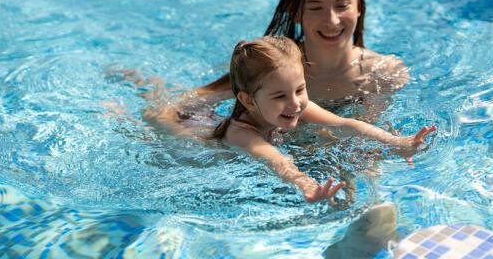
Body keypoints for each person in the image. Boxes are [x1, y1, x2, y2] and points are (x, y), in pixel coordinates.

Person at [145, 36, 435, 203]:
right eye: (280, 95)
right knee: (157, 115)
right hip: (192, 129)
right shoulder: (240, 133)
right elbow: (276, 160)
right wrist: (306, 185)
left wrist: (397, 142)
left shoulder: (291, 105)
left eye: (300, 89)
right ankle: (137, 91)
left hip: (212, 116)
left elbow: (346, 124)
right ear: (247, 100)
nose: (295, 103)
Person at [131, 0, 409, 123]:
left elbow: (368, 147)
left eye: (342, 5)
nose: (332, 20)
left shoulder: (383, 75)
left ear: (360, 5)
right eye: (315, 8)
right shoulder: (270, 68)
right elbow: (171, 109)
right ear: (295, 12)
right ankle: (138, 79)